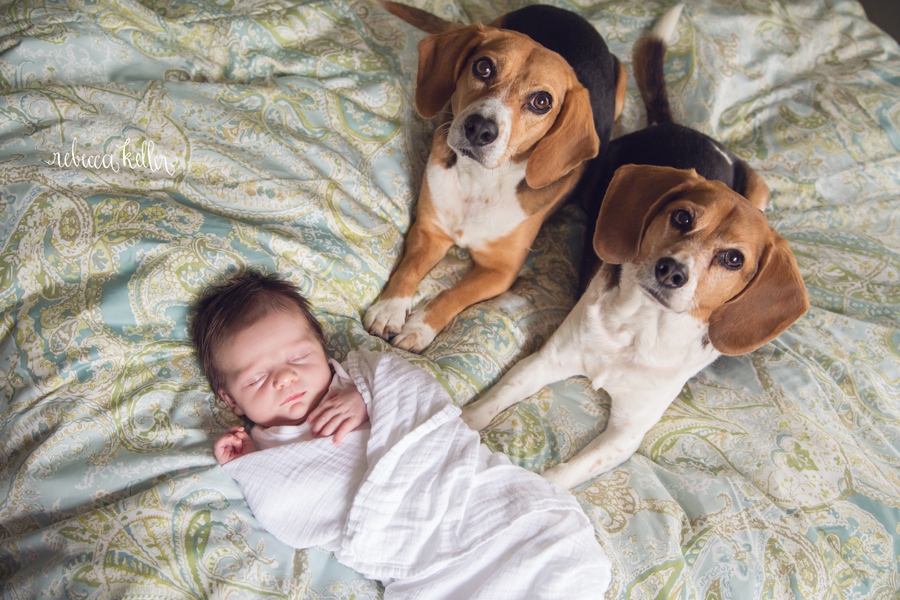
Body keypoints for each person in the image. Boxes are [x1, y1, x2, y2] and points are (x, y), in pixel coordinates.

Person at [191, 270, 612, 600]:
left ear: (322, 349)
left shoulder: (365, 378)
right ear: (232, 402)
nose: (286, 377)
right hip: (425, 562)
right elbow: (291, 511)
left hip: (484, 506)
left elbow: (421, 396)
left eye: (300, 357)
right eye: (259, 378)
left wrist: (367, 399)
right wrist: (248, 463)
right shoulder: (271, 453)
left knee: (558, 569)